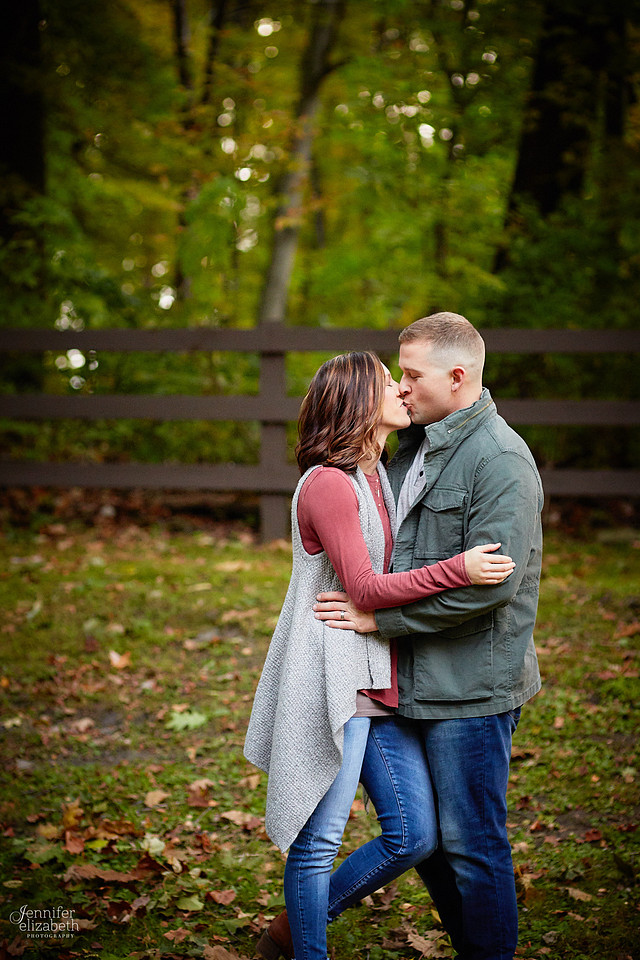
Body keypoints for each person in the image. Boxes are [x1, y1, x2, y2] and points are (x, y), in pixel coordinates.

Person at [243, 351, 516, 960]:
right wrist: (460, 570)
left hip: (376, 676)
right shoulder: (329, 484)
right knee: (318, 843)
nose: (400, 388)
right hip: (332, 675)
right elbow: (364, 589)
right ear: (359, 402)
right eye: (388, 381)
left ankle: (292, 926)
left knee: (414, 835)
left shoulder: (377, 477)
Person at [314, 314, 544, 960]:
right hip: (406, 678)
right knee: (429, 844)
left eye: (412, 375)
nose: (402, 386)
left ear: (458, 377)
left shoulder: (499, 460)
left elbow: (490, 586)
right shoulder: (412, 443)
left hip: (469, 686)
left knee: (473, 843)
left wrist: (380, 621)